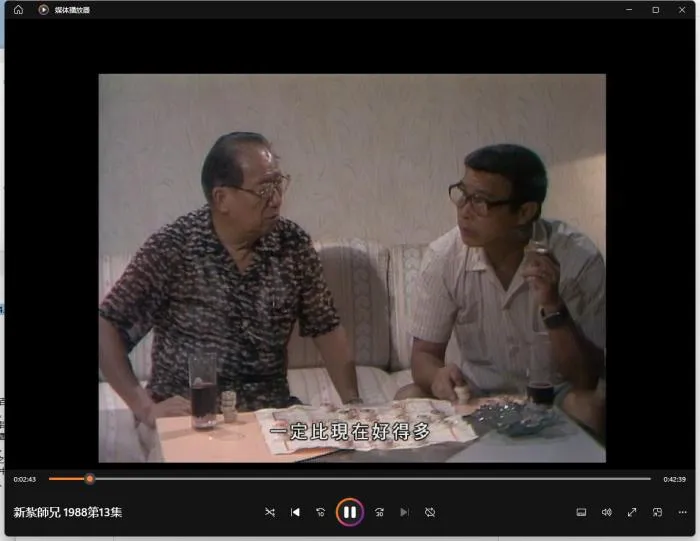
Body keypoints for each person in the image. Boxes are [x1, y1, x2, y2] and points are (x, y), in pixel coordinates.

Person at [99, 131, 362, 430]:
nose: (277, 199)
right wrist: (145, 408)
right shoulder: (174, 246)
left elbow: (326, 327)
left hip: (269, 414)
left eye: (278, 184)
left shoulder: (292, 244)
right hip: (190, 414)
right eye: (264, 189)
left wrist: (354, 406)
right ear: (222, 198)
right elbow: (106, 325)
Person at [395, 143, 606, 436]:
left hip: (552, 394)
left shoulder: (577, 259)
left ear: (524, 212)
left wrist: (553, 305)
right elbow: (424, 356)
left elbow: (586, 378)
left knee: (593, 408)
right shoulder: (444, 257)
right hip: (476, 393)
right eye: (462, 194)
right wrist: (437, 377)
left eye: (480, 201)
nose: (464, 211)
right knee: (408, 397)